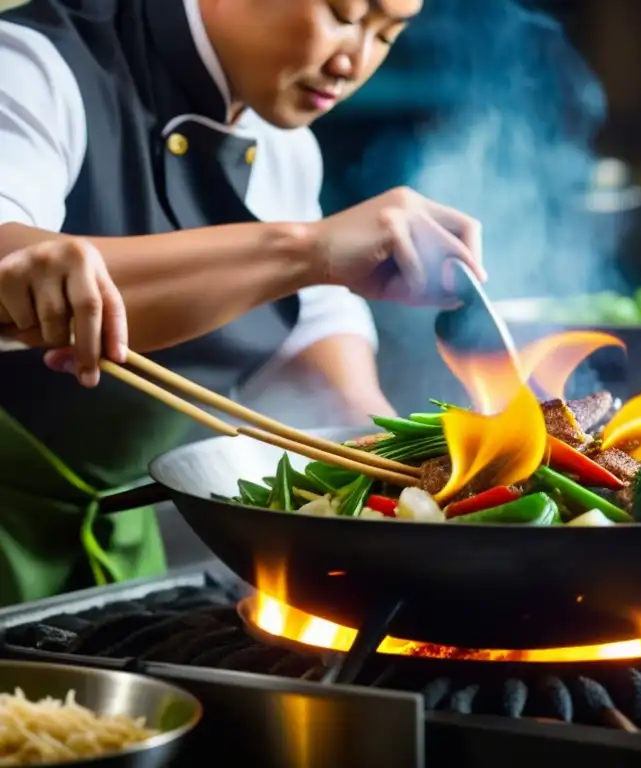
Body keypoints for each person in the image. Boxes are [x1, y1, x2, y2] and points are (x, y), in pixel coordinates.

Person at [0, 0, 484, 605]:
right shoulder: (30, 62)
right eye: (343, 14)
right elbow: (7, 259)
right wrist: (311, 248)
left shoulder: (280, 140)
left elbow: (311, 322)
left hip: (117, 535)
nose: (354, 61)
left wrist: (385, 461)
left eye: (387, 34)